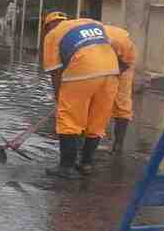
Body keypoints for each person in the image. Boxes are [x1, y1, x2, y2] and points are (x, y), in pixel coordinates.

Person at [41, 11, 119, 177]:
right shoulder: (91, 22)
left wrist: (59, 98)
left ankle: (67, 167)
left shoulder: (52, 36)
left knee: (69, 119)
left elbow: (55, 72)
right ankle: (86, 163)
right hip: (111, 71)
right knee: (97, 120)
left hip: (83, 71)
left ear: (47, 27)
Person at [104, 23, 137, 156]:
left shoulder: (118, 42)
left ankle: (118, 144)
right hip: (102, 57)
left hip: (124, 58)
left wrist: (114, 74)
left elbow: (125, 63)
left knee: (121, 102)